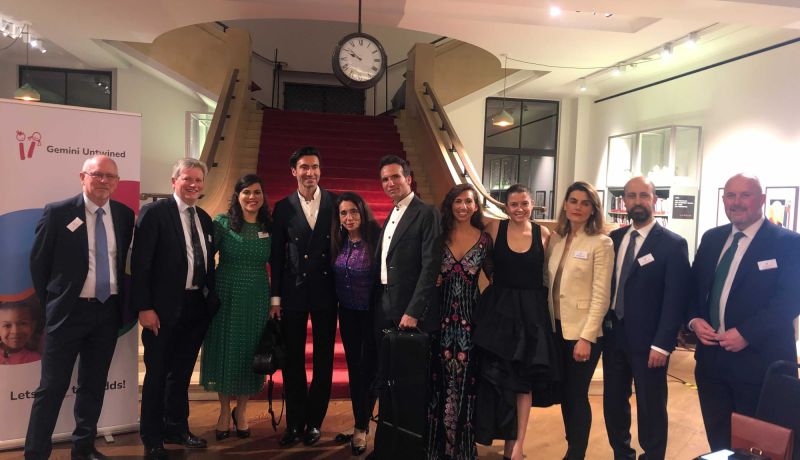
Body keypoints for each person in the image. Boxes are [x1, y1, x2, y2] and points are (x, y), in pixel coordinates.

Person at [25, 156, 135, 460]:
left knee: (93, 383)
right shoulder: (59, 212)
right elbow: (39, 263)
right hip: (67, 314)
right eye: (97, 174)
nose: (104, 181)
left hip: (106, 313)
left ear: (117, 181)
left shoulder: (125, 215)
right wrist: (54, 303)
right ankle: (36, 453)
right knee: (51, 387)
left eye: (111, 176)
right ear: (82, 177)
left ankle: (84, 447)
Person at [689, 173, 800, 451]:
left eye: (745, 195)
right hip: (711, 360)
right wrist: (694, 320)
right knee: (718, 437)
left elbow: (790, 299)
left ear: (761, 199)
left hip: (759, 363)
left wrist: (747, 333)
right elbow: (692, 288)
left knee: (757, 444)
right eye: (730, 195)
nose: (736, 202)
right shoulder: (712, 238)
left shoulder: (787, 242)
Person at [131, 158, 219, 460]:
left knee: (181, 374)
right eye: (187, 178)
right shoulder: (154, 213)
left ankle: (177, 427)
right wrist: (144, 307)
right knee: (157, 374)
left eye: (198, 180)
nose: (193, 184)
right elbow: (140, 265)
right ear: (174, 181)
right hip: (161, 309)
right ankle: (152, 436)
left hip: (195, 307)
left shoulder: (205, 219)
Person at [602, 176, 690, 460]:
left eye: (643, 195)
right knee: (614, 402)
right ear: (624, 201)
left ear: (654, 199)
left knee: (651, 405)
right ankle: (621, 453)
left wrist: (663, 344)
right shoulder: (614, 239)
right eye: (631, 196)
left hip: (650, 342)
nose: (637, 201)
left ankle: (653, 456)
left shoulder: (673, 244)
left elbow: (676, 298)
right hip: (614, 336)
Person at [472, 183, 559, 460]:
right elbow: (481, 261)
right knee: (496, 378)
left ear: (532, 204)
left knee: (524, 381)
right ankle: (494, 435)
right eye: (514, 204)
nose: (520, 209)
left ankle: (517, 445)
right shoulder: (494, 229)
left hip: (532, 314)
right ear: (505, 207)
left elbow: (551, 273)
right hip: (499, 311)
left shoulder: (543, 234)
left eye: (524, 203)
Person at [368, 154, 441, 459]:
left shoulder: (426, 212)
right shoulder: (392, 213)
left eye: (396, 177)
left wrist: (413, 310)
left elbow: (430, 265)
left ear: (409, 178)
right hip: (385, 305)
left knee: (409, 384)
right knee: (388, 380)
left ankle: (409, 450)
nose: (390, 183)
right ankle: (388, 445)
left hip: (408, 312)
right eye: (385, 179)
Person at [269, 146, 338, 447]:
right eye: (304, 167)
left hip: (326, 291)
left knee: (324, 360)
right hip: (294, 291)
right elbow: (276, 255)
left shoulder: (336, 202)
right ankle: (294, 423)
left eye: (315, 167)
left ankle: (314, 423)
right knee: (292, 360)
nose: (310, 173)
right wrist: (275, 298)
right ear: (293, 171)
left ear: (320, 170)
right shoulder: (283, 207)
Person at [200, 174, 272, 440]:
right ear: (237, 196)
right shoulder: (222, 223)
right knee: (224, 348)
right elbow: (206, 259)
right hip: (225, 292)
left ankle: (241, 410)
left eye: (257, 193)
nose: (252, 197)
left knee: (248, 352)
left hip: (256, 295)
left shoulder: (269, 225)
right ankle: (223, 409)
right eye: (247, 193)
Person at [545, 181, 613, 460]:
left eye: (585, 203)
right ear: (564, 204)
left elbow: (601, 294)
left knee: (576, 394)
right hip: (556, 327)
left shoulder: (601, 242)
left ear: (593, 209)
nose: (578, 207)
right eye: (573, 200)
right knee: (564, 392)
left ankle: (576, 454)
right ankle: (571, 445)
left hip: (583, 333)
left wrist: (587, 336)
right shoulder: (557, 239)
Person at [427, 184, 493, 460]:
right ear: (450, 204)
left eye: (469, 201)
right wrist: (433, 280)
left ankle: (462, 449)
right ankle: (436, 447)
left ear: (476, 206)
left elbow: (495, 279)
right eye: (458, 201)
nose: (463, 206)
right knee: (438, 382)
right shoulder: (438, 236)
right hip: (439, 321)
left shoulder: (485, 239)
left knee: (466, 384)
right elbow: (424, 271)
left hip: (469, 321)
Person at [330, 192, 381, 456]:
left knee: (369, 371)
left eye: (354, 212)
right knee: (354, 371)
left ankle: (362, 425)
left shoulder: (377, 240)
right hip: (348, 315)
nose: (349, 217)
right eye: (343, 213)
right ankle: (359, 422)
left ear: (363, 213)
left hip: (372, 315)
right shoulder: (338, 242)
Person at [0, 295, 42, 365]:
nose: (15, 331)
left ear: (33, 326)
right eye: (7, 325)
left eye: (23, 323)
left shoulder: (35, 360)